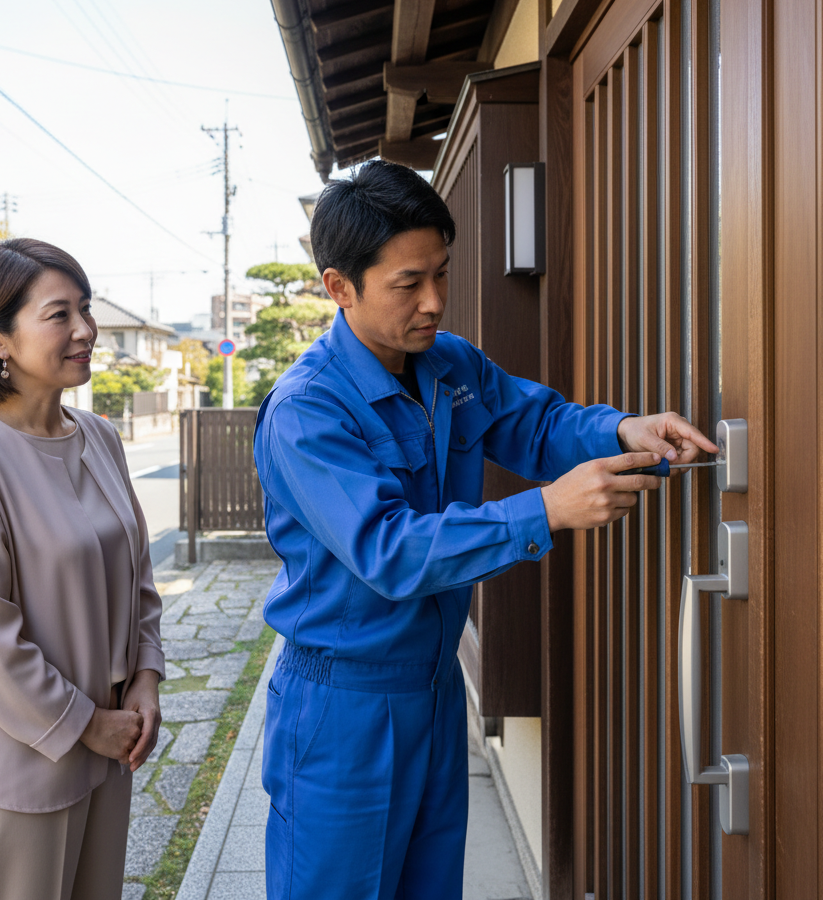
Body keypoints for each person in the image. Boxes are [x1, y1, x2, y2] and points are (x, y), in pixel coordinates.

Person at [254, 161, 717, 900]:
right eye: (409, 284)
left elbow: (536, 423)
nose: (435, 301)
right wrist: (546, 511)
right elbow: (391, 550)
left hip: (434, 693)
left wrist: (626, 428)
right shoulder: (308, 410)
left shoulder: (448, 365)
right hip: (344, 709)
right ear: (339, 287)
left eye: (441, 272)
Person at [0, 239, 165, 900]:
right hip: (17, 769)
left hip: (111, 747)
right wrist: (91, 724)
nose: (86, 330)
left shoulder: (100, 437)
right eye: (60, 315)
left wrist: (145, 679)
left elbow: (138, 580)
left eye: (85, 309)